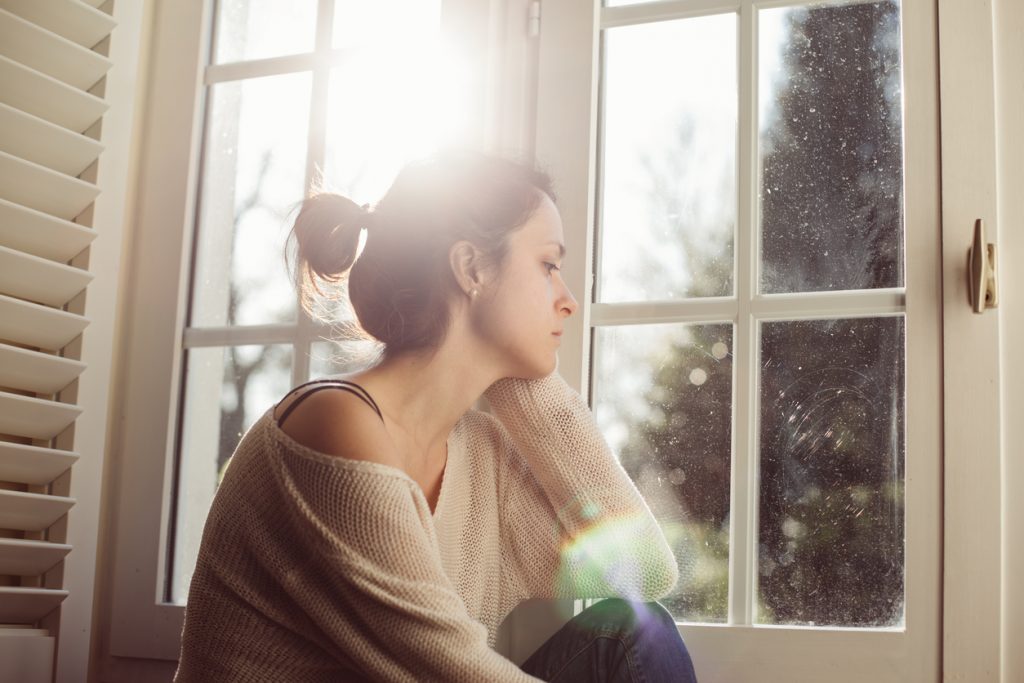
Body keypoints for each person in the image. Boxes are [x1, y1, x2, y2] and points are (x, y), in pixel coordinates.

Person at [174, 151, 698, 682]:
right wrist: (511, 350)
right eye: (548, 266)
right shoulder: (333, 425)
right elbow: (454, 673)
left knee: (631, 632)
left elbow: (644, 570)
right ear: (471, 268)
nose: (568, 300)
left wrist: (526, 383)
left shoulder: (481, 452)